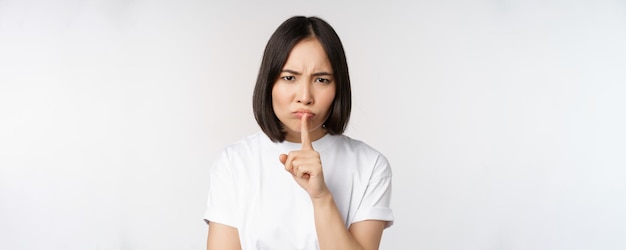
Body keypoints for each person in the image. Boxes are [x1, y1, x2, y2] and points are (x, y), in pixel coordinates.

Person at [204, 16, 393, 250]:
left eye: (321, 79)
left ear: (338, 88)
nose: (305, 96)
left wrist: (321, 197)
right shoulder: (234, 163)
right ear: (269, 82)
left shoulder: (370, 165)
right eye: (289, 78)